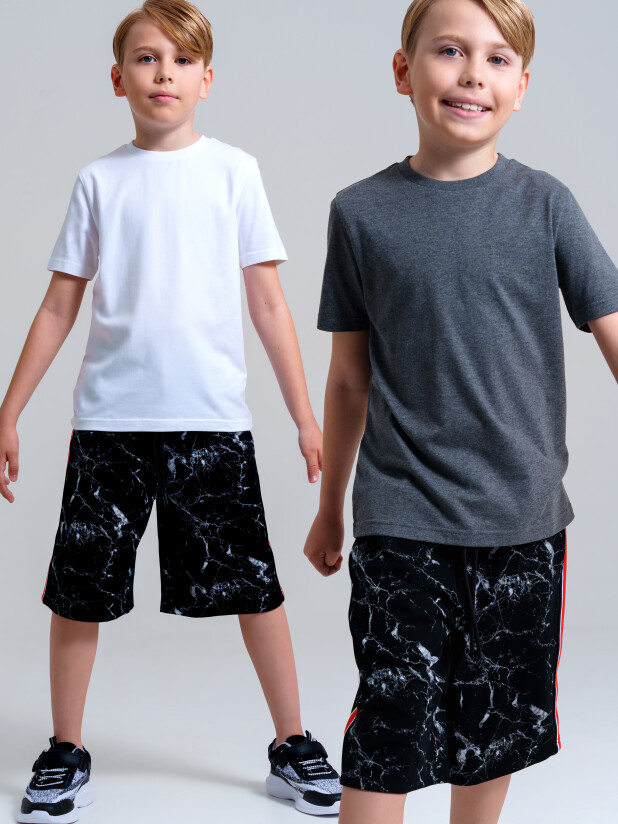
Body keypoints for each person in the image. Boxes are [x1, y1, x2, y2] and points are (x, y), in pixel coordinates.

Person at [0, 1, 342, 821]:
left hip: (210, 424)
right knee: (78, 592)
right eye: (148, 58)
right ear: (118, 78)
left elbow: (268, 304)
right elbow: (59, 305)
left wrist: (304, 416)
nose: (164, 73)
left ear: (207, 80)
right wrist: (8, 412)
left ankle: (291, 742)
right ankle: (66, 747)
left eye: (183, 60)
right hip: (110, 426)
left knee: (255, 587)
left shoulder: (234, 172)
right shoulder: (99, 180)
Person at [303, 0, 618, 822]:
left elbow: (613, 328)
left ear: (521, 87)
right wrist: (330, 507)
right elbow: (348, 381)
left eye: (498, 58)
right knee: (389, 728)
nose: (474, 73)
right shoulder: (360, 212)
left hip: (522, 519)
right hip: (400, 516)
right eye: (450, 50)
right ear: (403, 71)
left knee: (496, 730)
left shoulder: (546, 204)